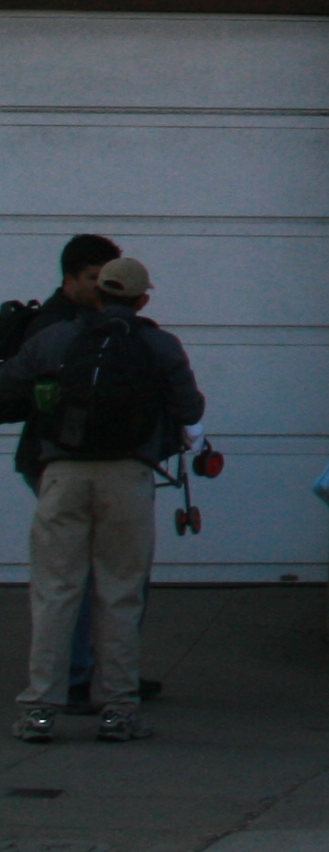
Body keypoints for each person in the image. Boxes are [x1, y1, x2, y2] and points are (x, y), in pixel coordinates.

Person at [9, 255, 199, 746]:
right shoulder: (159, 344)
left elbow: (7, 391)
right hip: (127, 475)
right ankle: (118, 710)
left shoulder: (56, 338)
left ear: (97, 293)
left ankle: (40, 710)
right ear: (142, 300)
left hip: (62, 473)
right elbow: (189, 407)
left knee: (55, 592)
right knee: (119, 593)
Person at [8, 237, 128, 715]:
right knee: (79, 577)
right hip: (55, 461)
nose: (103, 287)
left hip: (60, 461)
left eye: (109, 278)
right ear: (70, 279)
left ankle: (92, 673)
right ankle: (83, 675)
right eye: (94, 278)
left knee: (84, 575)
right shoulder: (55, 327)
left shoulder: (97, 322)